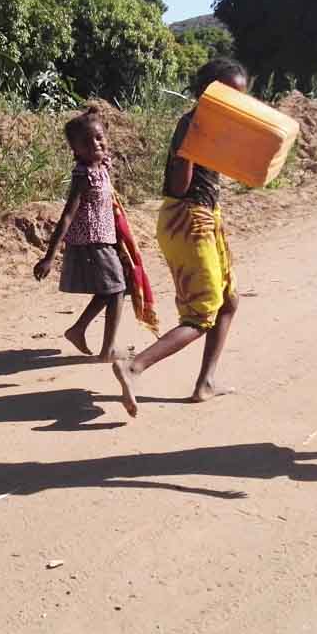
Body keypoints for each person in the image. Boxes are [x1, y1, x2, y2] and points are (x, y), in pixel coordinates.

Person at [112, 59, 247, 416]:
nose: (236, 102)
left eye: (241, 96)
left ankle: (206, 383)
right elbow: (178, 186)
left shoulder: (214, 126)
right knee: (202, 315)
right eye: (229, 94)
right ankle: (134, 366)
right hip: (189, 220)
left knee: (229, 301)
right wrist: (192, 147)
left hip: (206, 217)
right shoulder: (192, 125)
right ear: (207, 93)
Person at [33, 105, 126, 361]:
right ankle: (107, 349)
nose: (95, 144)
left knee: (110, 289)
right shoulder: (83, 175)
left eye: (99, 137)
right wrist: (49, 257)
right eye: (86, 142)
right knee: (117, 289)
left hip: (104, 239)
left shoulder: (102, 166)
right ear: (75, 150)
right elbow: (67, 216)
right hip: (92, 241)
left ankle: (78, 329)